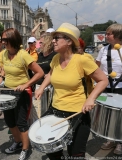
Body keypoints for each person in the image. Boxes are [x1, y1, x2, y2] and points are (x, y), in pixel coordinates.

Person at [34, 23, 108, 160]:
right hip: (55, 109)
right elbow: (51, 73)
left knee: (76, 153)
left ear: (69, 41)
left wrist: (91, 98)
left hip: (77, 113)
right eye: (53, 37)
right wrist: (41, 87)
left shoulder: (82, 60)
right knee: (50, 147)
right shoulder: (56, 58)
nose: (53, 40)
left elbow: (103, 80)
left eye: (57, 38)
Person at [0, 28, 44, 160]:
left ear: (13, 39)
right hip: (7, 92)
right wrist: (1, 77)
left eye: (5, 40)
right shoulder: (5, 54)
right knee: (10, 121)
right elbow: (3, 67)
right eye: (2, 39)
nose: (3, 42)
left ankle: (25, 148)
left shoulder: (23, 54)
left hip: (21, 93)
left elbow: (40, 73)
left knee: (21, 122)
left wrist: (26, 84)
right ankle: (17, 142)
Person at [95, 23, 122, 155]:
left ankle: (120, 142)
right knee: (109, 115)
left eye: (109, 34)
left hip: (120, 87)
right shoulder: (103, 50)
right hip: (106, 86)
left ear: (117, 35)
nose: (106, 36)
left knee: (120, 116)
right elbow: (96, 67)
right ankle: (111, 139)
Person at [30, 33, 57, 123]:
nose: (39, 45)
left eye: (41, 42)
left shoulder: (54, 55)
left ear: (47, 43)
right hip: (38, 85)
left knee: (45, 110)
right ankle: (36, 128)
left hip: (49, 87)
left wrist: (48, 74)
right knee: (36, 110)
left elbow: (55, 69)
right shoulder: (40, 55)